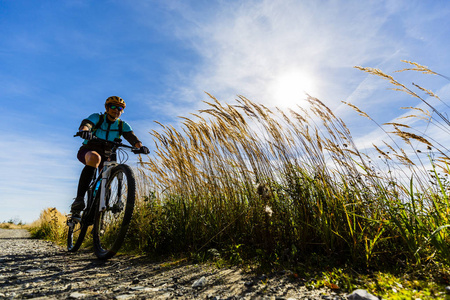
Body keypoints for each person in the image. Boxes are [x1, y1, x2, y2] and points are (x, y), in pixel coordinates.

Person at [70, 96, 149, 214]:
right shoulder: (98, 118)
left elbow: (132, 138)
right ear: (106, 108)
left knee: (108, 177)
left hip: (108, 155)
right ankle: (79, 199)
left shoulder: (122, 125)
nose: (116, 110)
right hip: (89, 151)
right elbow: (87, 124)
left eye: (120, 108)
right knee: (95, 158)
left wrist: (140, 147)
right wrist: (85, 130)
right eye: (113, 106)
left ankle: (100, 211)